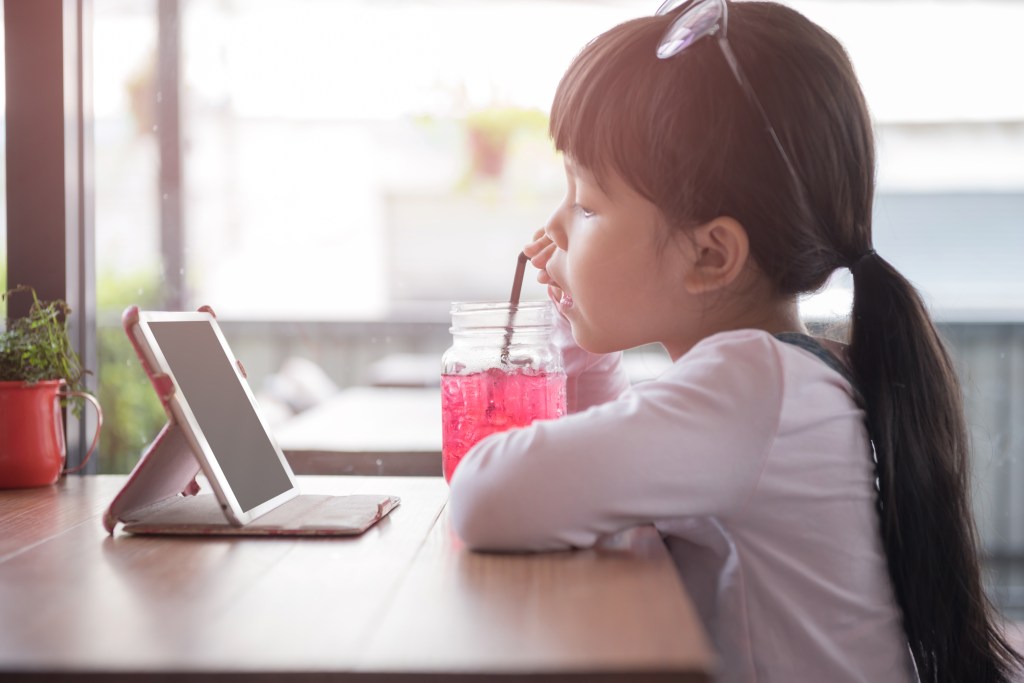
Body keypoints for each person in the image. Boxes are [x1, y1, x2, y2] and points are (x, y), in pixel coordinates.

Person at [446, 1, 1024, 682]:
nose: (554, 225)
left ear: (711, 256)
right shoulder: (782, 374)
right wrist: (580, 333)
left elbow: (488, 496)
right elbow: (603, 455)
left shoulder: (750, 385)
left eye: (588, 202)